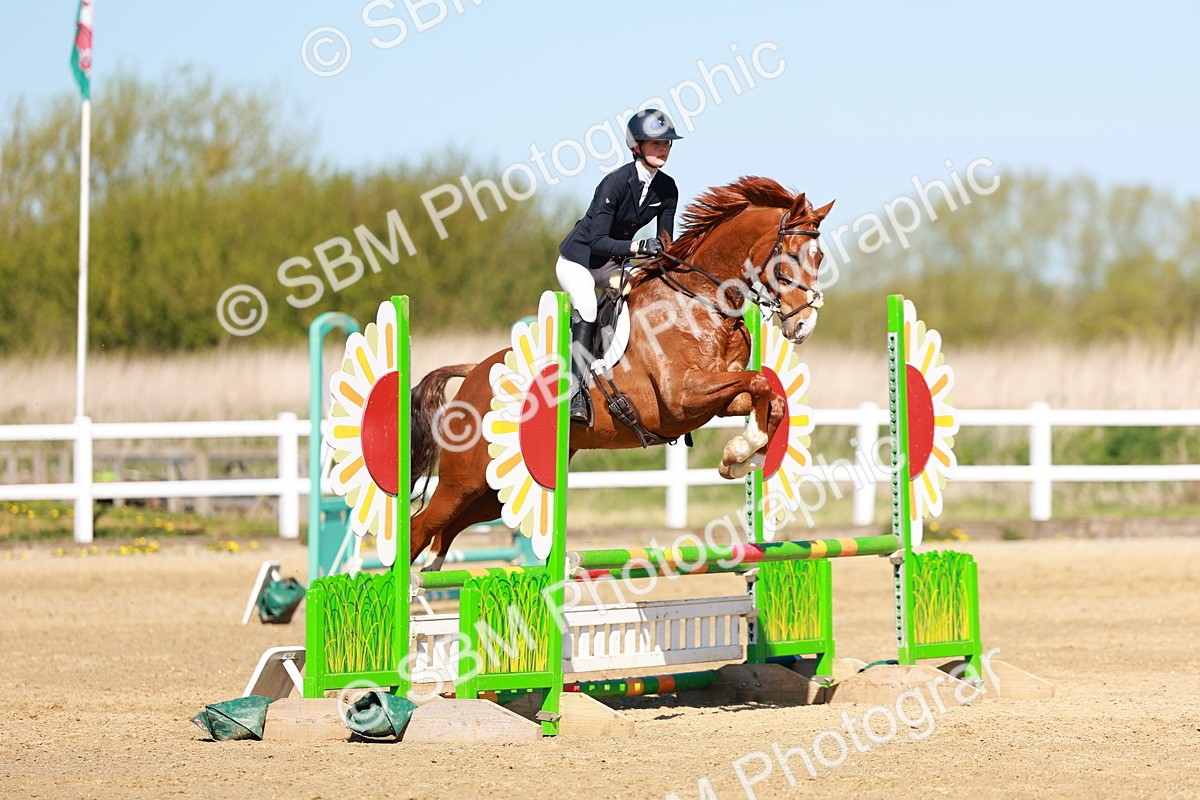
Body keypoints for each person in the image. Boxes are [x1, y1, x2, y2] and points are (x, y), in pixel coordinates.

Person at [556, 108, 682, 423]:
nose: (663, 149)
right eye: (656, 143)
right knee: (586, 306)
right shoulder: (614, 184)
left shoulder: (668, 189)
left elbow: (665, 244)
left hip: (614, 264)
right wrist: (639, 247)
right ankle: (575, 393)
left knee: (645, 292)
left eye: (667, 143)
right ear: (636, 146)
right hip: (579, 261)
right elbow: (598, 241)